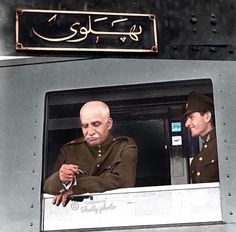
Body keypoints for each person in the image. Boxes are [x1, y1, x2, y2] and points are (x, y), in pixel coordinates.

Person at [44, 101, 138, 206]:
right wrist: (60, 178)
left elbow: (123, 181)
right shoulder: (69, 150)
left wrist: (75, 187)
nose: (90, 132)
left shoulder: (124, 146)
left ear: (109, 124)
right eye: (85, 126)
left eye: (96, 124)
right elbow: (47, 187)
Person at [184, 91, 219, 183]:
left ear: (207, 116)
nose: (187, 124)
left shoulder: (221, 146)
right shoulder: (199, 156)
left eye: (191, 117)